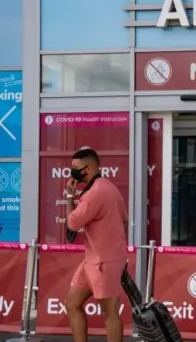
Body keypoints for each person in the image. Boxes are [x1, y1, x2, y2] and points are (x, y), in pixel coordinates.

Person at [64, 147, 128, 342]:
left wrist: (69, 196)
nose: (72, 171)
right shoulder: (109, 187)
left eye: (76, 168)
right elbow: (124, 219)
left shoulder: (96, 193)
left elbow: (72, 222)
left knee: (110, 313)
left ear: (89, 168)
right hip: (93, 260)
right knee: (72, 303)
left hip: (104, 262)